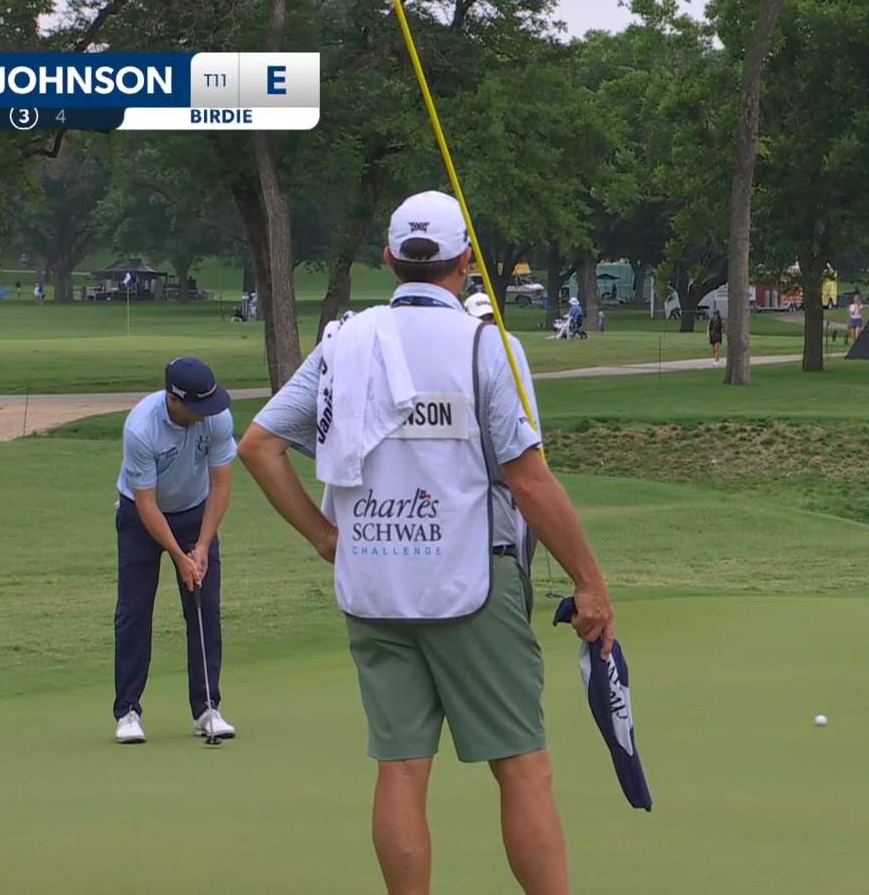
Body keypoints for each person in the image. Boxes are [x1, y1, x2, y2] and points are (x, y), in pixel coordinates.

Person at [238, 190, 614, 895]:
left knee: (402, 768)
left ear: (388, 259)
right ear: (466, 262)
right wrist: (590, 581)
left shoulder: (343, 341)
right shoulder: (487, 346)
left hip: (374, 585)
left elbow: (258, 447)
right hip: (472, 585)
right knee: (522, 766)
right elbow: (529, 484)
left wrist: (327, 539)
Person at [113, 357, 238, 745]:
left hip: (195, 512)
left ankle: (206, 708)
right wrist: (178, 555)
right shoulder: (141, 428)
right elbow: (147, 504)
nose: (205, 414)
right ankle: (128, 712)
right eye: (196, 407)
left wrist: (200, 546)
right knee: (135, 612)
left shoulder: (216, 418)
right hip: (141, 518)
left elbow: (220, 485)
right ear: (173, 399)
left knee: (204, 609)